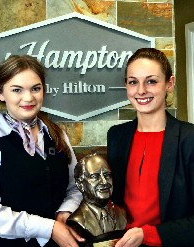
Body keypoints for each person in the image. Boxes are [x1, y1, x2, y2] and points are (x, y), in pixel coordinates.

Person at [0, 54, 84, 247]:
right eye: (17, 90)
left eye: (36, 89)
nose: (28, 98)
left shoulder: (58, 134)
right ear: (1, 94)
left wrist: (66, 211)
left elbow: (76, 186)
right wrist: (48, 228)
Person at [107, 48, 194, 247]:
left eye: (151, 81)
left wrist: (149, 234)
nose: (141, 90)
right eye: (133, 82)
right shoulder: (117, 136)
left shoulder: (190, 139)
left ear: (169, 84)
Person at [67, 153, 126, 243]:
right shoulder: (77, 221)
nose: (104, 181)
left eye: (107, 175)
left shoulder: (123, 213)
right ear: (80, 184)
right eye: (95, 176)